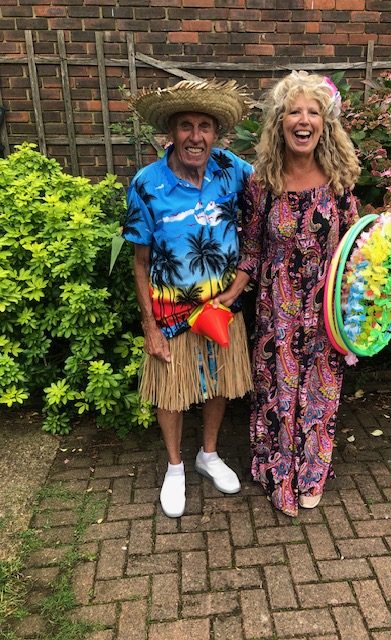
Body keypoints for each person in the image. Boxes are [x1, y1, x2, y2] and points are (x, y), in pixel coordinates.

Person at [215, 71, 361, 517]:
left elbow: (355, 248)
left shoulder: (339, 180)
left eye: (313, 112)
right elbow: (252, 249)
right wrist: (231, 293)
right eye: (294, 111)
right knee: (276, 391)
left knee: (319, 392)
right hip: (276, 309)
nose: (303, 120)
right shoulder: (263, 182)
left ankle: (312, 474)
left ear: (325, 123)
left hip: (325, 308)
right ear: (279, 122)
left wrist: (365, 294)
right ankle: (278, 472)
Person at [123, 79, 254, 518]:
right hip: (171, 313)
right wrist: (149, 327)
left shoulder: (232, 170)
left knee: (220, 383)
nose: (195, 137)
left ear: (216, 133)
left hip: (222, 308)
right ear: (170, 132)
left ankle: (208, 455)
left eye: (205, 126)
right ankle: (175, 466)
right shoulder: (147, 184)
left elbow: (277, 192)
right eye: (186, 126)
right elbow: (140, 261)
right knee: (171, 393)